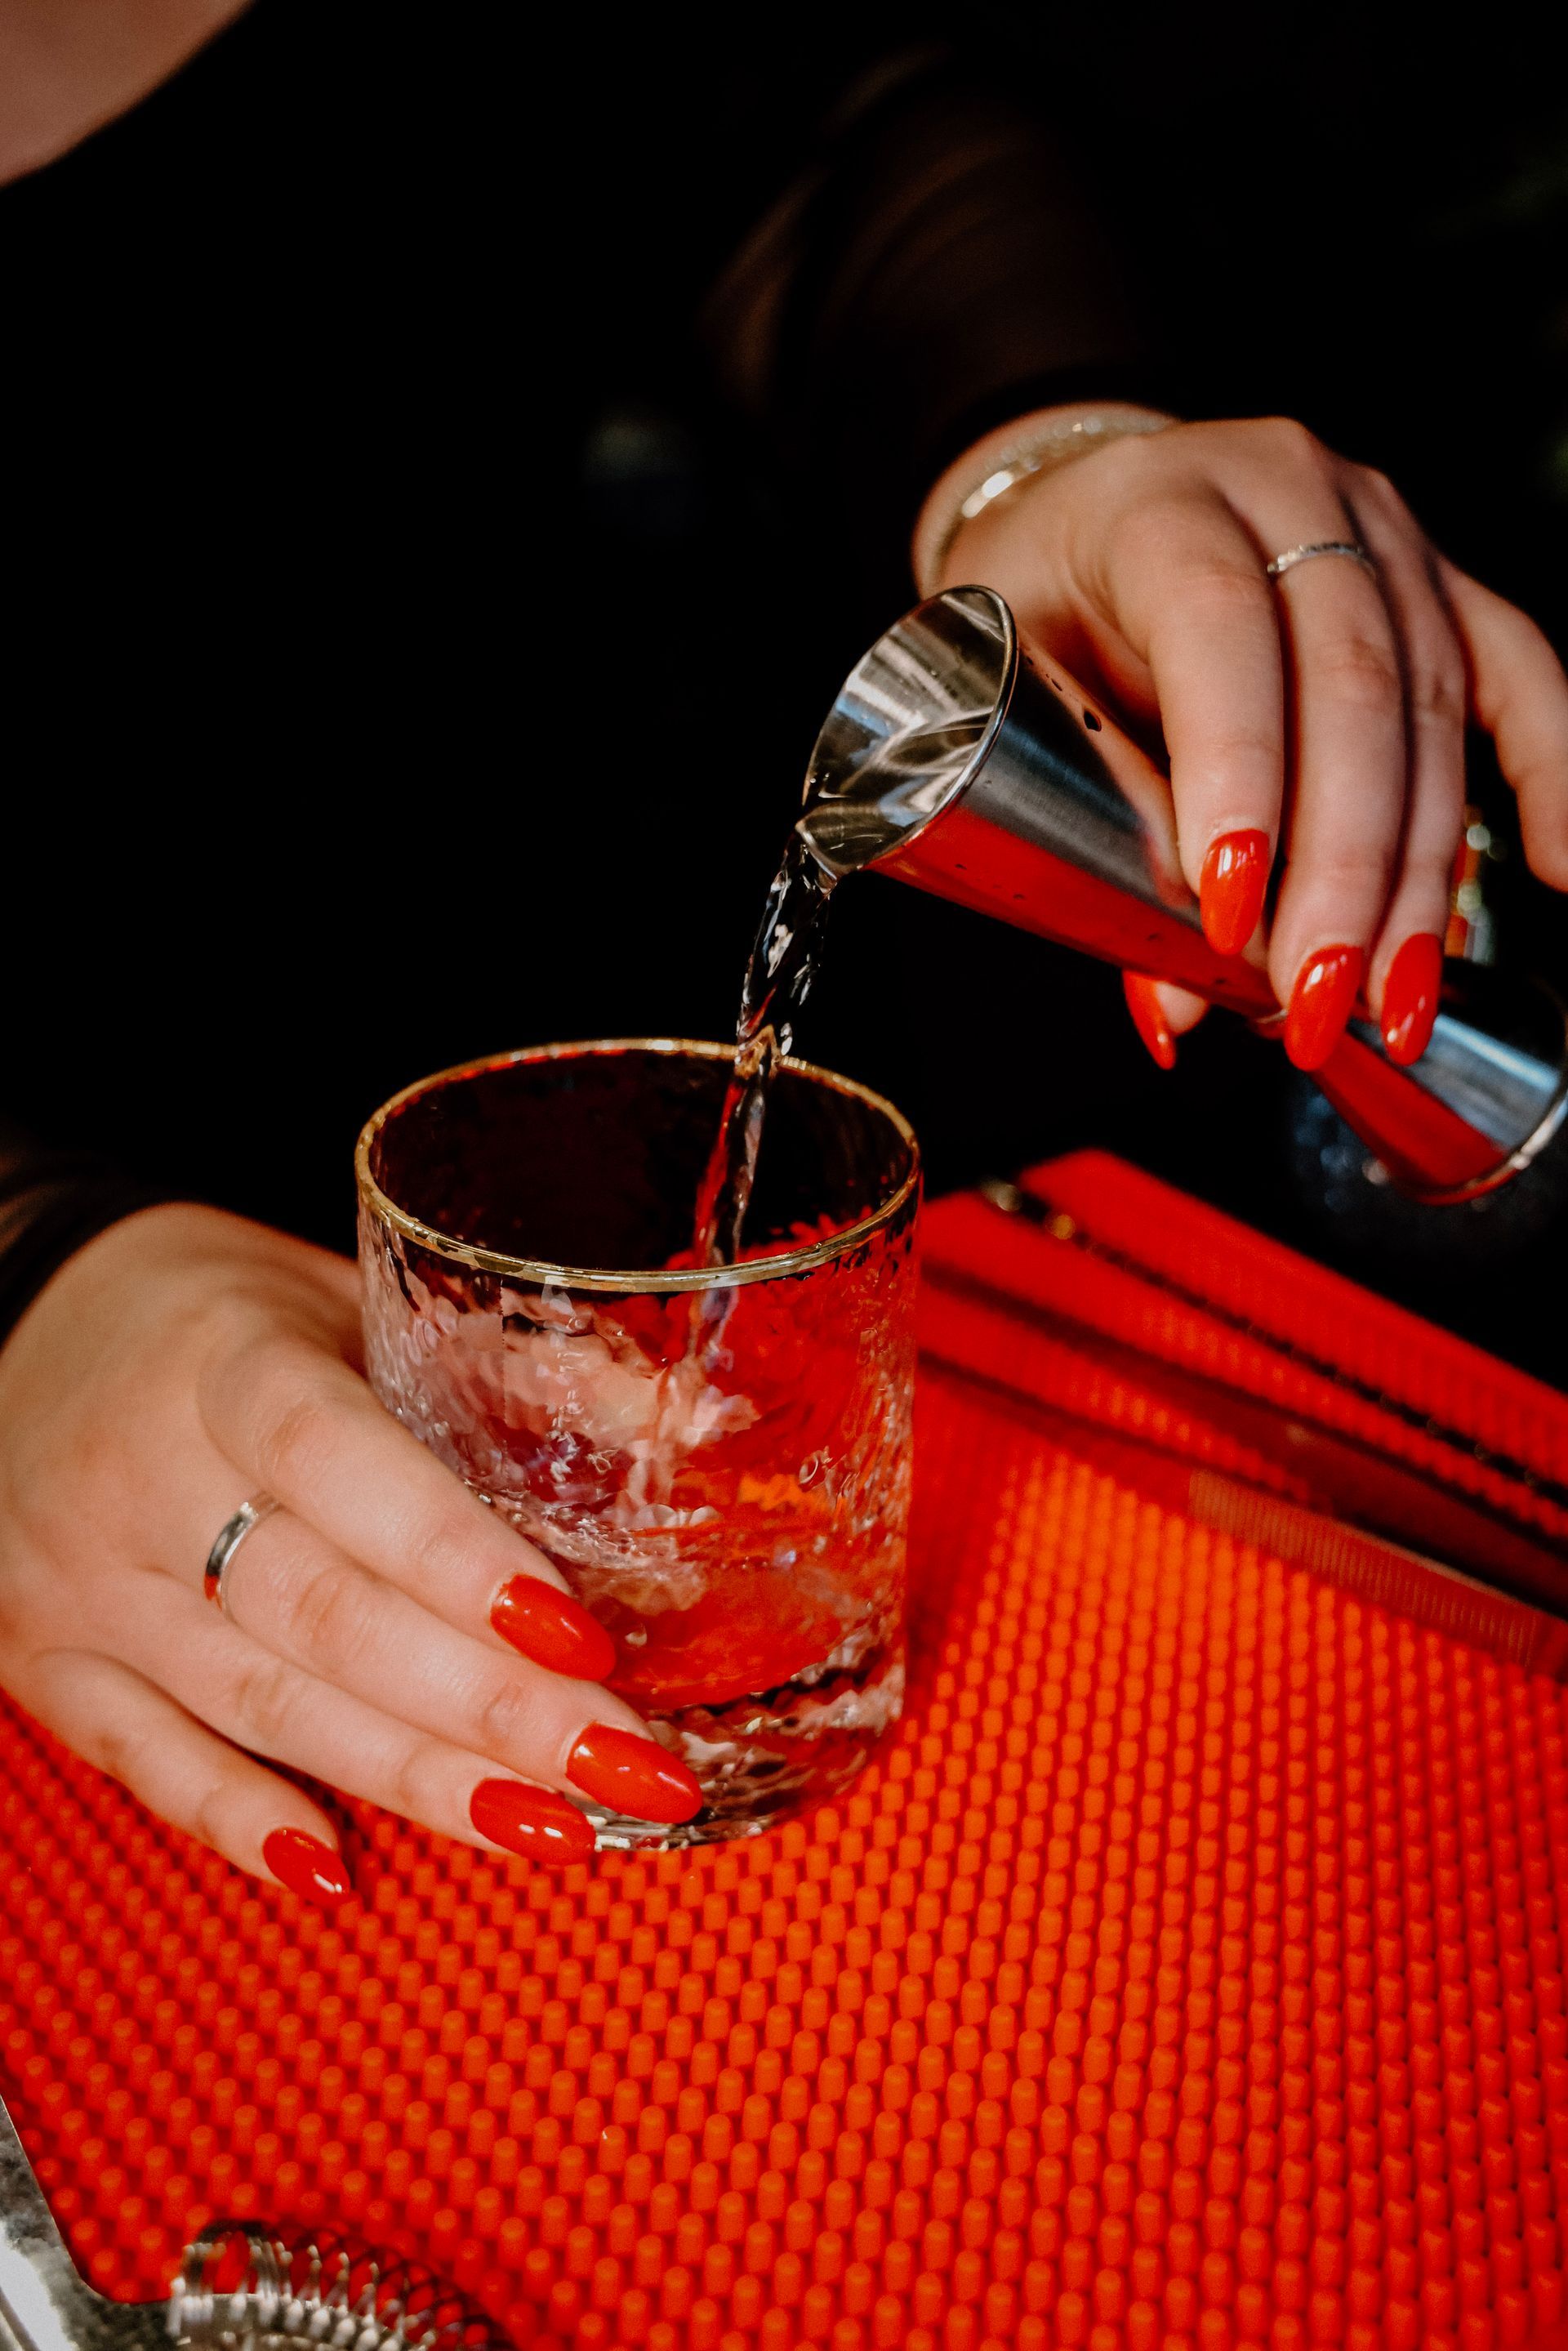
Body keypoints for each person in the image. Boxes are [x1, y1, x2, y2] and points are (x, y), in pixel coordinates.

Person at [2, 0, 1565, 1902]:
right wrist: (28, 1280)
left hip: (641, 1230)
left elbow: (804, 118)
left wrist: (1047, 455)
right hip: (115, 1531)